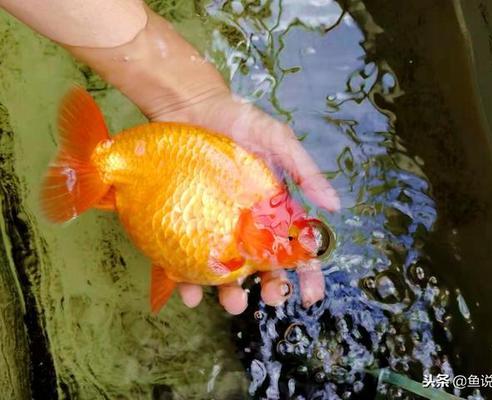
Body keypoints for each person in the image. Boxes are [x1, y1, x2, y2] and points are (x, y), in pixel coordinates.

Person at [0, 0, 340, 315]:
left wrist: (194, 94)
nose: (283, 240)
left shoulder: (247, 232)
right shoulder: (241, 238)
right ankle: (98, 170)